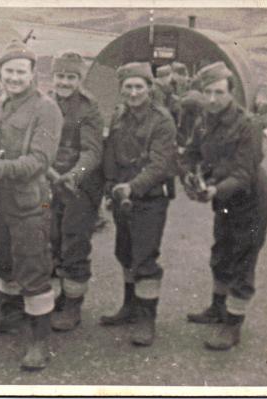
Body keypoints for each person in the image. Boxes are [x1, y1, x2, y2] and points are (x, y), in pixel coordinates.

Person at [0, 40, 63, 370]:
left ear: (33, 74)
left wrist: (2, 168)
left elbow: (39, 160)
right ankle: (7, 316)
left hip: (30, 202)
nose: (14, 78)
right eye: (9, 71)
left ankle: (39, 341)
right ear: (1, 73)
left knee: (33, 268)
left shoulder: (46, 109)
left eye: (21, 72)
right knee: (4, 261)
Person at [182, 61, 267, 350]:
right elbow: (190, 153)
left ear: (231, 93)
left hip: (251, 200)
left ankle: (232, 326)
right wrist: (189, 174)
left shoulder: (248, 125)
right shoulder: (204, 121)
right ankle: (218, 308)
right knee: (221, 252)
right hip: (224, 199)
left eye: (219, 92)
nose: (212, 99)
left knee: (242, 259)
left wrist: (214, 190)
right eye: (207, 92)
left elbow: (243, 174)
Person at [100, 62, 178, 347]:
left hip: (149, 197)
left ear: (149, 88)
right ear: (121, 90)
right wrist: (110, 185)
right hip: (123, 197)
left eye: (139, 87)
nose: (133, 93)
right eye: (128, 87)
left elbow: (160, 165)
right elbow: (111, 153)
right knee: (125, 252)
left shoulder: (162, 120)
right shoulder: (120, 116)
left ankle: (147, 318)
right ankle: (130, 307)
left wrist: (132, 187)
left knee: (144, 257)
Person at [47, 51, 104, 332]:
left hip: (79, 186)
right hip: (50, 182)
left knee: (74, 242)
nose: (65, 82)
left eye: (71, 77)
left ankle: (73, 306)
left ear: (79, 79)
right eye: (60, 76)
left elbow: (92, 152)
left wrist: (73, 176)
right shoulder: (45, 102)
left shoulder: (89, 108)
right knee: (53, 238)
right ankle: (62, 295)